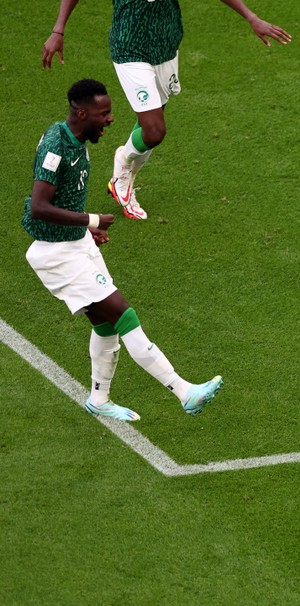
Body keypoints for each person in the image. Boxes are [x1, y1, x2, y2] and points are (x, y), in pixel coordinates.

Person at [42, 0, 292, 220]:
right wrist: (58, 30)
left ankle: (126, 164)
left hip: (167, 45)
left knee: (151, 119)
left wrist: (251, 17)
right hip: (129, 48)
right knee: (155, 130)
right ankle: (123, 170)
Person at [23, 78, 223, 422]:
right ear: (81, 112)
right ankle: (184, 392)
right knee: (123, 313)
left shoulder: (75, 140)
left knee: (104, 324)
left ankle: (99, 400)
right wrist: (90, 218)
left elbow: (60, 201)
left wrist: (86, 228)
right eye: (104, 114)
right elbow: (39, 207)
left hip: (73, 242)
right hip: (57, 253)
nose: (110, 119)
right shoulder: (57, 147)